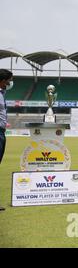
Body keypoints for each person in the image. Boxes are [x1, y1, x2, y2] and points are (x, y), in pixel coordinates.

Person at [0, 69, 13, 211]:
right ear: (3, 80)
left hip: (1, 132)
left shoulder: (2, 94)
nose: (10, 83)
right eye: (9, 80)